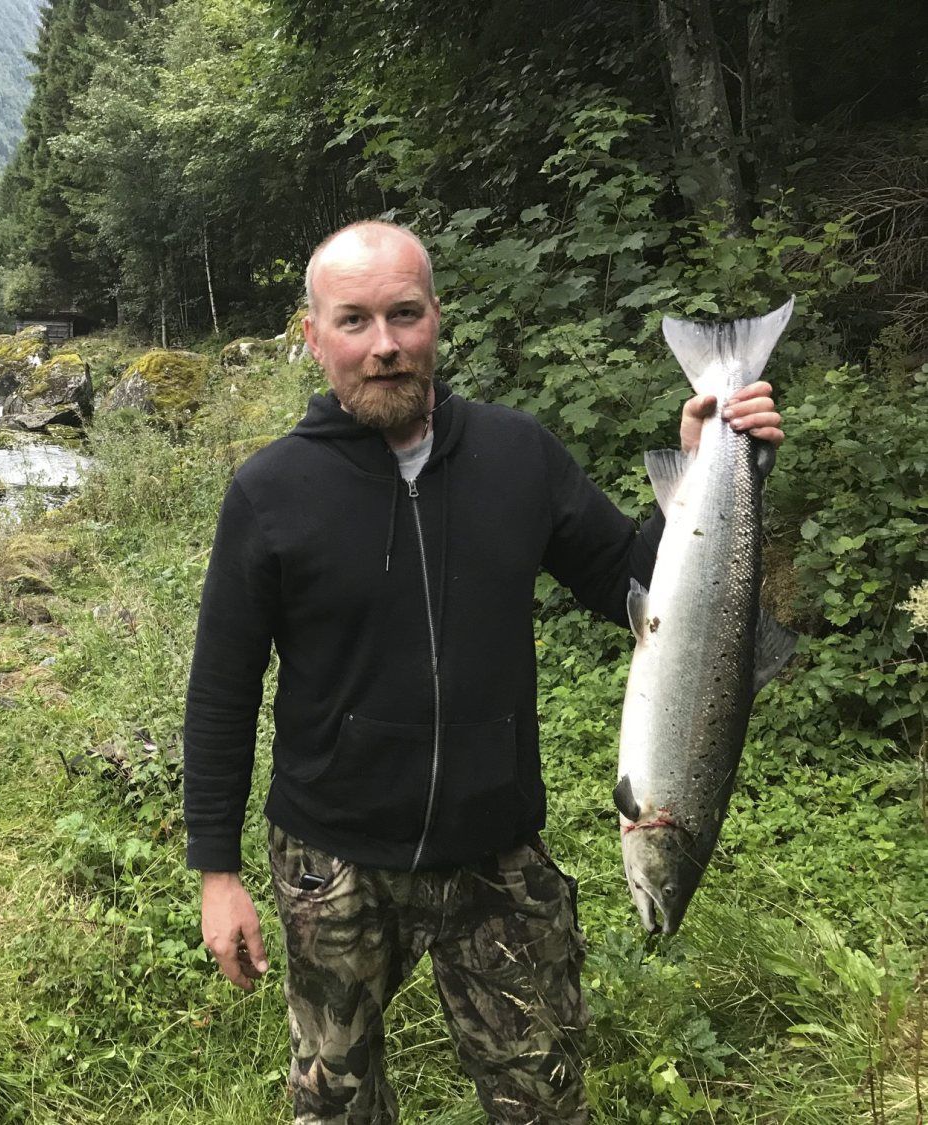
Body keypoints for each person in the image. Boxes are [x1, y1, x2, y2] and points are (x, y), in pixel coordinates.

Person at [181, 220, 783, 1124]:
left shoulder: (517, 455)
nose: (383, 345)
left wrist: (714, 471)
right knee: (335, 1107)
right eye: (354, 321)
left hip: (498, 856)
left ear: (436, 320)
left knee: (545, 1105)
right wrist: (215, 870)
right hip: (334, 859)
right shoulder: (270, 492)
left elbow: (634, 583)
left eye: (404, 314)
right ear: (313, 337)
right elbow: (221, 691)